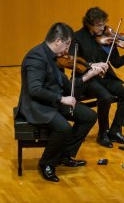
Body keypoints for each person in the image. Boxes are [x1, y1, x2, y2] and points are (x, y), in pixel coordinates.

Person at [16, 22, 103, 182]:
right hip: (37, 105)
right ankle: (46, 163)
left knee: (89, 116)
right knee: (64, 128)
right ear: (58, 41)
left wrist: (88, 74)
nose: (68, 49)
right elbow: (35, 90)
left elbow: (66, 85)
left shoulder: (54, 57)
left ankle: (65, 155)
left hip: (53, 101)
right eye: (67, 44)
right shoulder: (36, 57)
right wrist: (63, 99)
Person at [70, 7, 124, 148]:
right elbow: (74, 62)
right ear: (89, 24)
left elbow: (115, 63)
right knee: (105, 97)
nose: (103, 27)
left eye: (104, 24)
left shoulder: (108, 37)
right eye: (99, 25)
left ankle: (115, 130)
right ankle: (102, 133)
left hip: (105, 77)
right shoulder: (77, 37)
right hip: (87, 78)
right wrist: (92, 65)